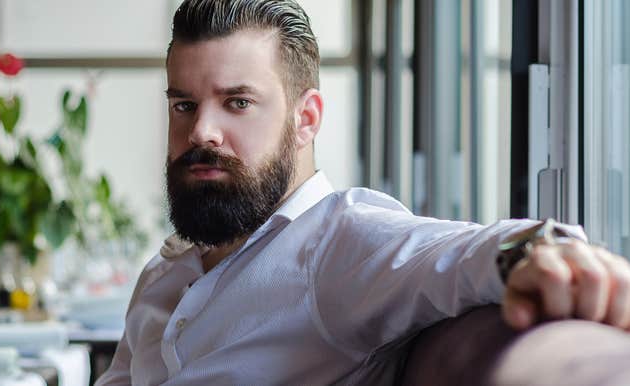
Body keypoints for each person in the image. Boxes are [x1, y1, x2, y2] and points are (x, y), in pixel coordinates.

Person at [96, 1, 630, 385]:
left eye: (237, 103)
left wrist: (550, 258)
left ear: (305, 120)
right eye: (184, 105)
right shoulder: (166, 274)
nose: (201, 132)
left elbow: (450, 252)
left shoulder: (335, 245)